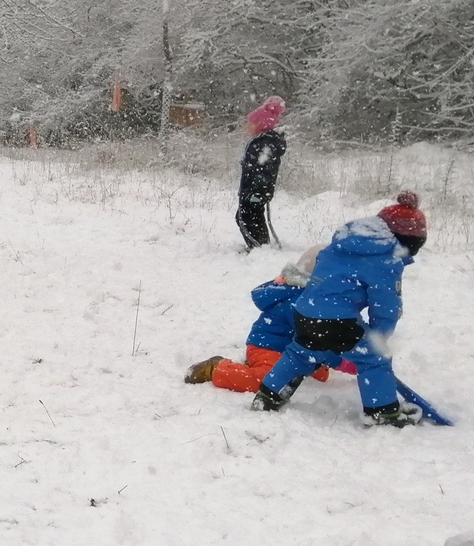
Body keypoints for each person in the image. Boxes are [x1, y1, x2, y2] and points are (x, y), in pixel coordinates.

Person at [250, 193, 429, 426]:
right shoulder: (386, 260)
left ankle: (268, 395)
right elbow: (385, 307)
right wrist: (379, 337)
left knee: (301, 353)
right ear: (408, 242)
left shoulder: (342, 244)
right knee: (374, 358)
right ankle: (382, 412)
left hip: (305, 311)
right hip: (337, 320)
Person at [184, 247, 338, 393]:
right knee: (266, 380)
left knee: (321, 375)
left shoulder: (316, 299)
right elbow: (313, 333)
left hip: (292, 349)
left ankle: (262, 364)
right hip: (269, 347)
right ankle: (216, 368)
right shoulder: (297, 301)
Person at [236, 97, 287, 250]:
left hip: (255, 189)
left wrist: (256, 188)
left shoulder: (265, 144)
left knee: (247, 217)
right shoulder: (261, 141)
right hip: (253, 189)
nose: (247, 127)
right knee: (251, 216)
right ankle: (260, 245)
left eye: (251, 123)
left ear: (261, 124)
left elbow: (264, 168)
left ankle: (258, 247)